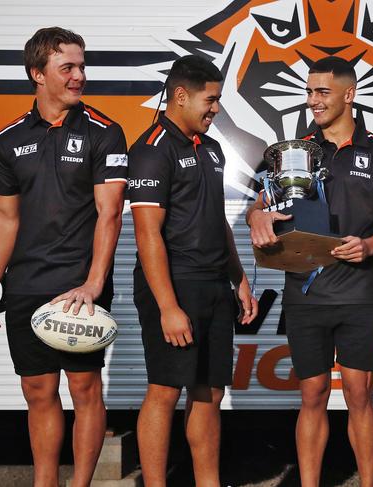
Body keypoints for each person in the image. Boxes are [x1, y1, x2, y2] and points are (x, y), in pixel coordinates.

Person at [247, 56, 373, 487]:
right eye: (309, 91)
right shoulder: (294, 152)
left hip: (359, 292)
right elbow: (261, 203)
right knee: (312, 395)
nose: (313, 101)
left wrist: (371, 244)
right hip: (304, 292)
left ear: (349, 94)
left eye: (322, 92)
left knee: (360, 396)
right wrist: (255, 218)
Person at [0, 27, 128, 487]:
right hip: (26, 286)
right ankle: (45, 482)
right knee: (37, 390)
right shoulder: (8, 139)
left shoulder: (105, 132)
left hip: (80, 285)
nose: (78, 76)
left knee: (84, 387)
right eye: (66, 67)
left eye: (81, 66)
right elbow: (6, 221)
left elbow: (109, 213)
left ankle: (81, 484)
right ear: (37, 74)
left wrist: (94, 284)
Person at [128, 54, 258, 487]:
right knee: (165, 391)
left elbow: (216, 217)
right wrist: (167, 306)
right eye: (211, 99)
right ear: (180, 96)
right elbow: (147, 233)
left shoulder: (212, 148)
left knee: (210, 392)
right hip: (173, 286)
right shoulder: (150, 150)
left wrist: (238, 277)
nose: (215, 109)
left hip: (213, 285)